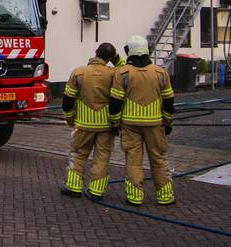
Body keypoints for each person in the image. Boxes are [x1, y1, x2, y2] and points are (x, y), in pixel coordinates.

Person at [109, 34, 175, 206]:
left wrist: (115, 123)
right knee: (159, 159)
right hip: (155, 124)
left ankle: (134, 196)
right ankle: (165, 196)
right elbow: (169, 102)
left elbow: (115, 102)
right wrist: (168, 122)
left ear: (128, 51)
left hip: (130, 126)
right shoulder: (161, 73)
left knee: (133, 161)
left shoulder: (122, 74)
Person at [61, 43, 117, 200]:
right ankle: (96, 191)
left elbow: (68, 98)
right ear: (110, 58)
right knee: (102, 157)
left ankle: (73, 187)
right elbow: (126, 76)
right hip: (106, 125)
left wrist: (69, 117)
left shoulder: (79, 72)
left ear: (96, 53)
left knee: (78, 154)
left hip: (83, 124)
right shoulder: (114, 74)